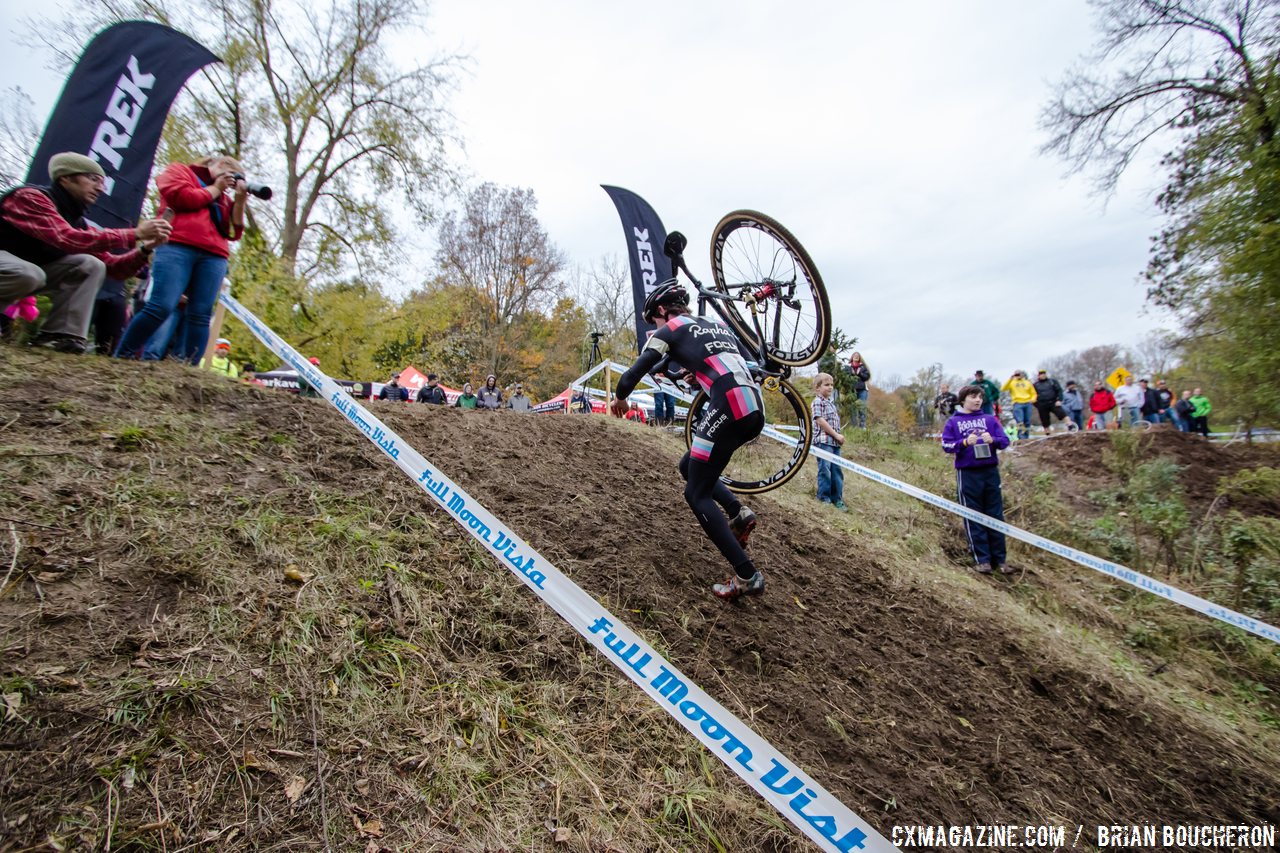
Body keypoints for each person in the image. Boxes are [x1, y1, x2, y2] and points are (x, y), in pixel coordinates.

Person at [611, 279, 765, 600]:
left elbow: (634, 372)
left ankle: (746, 575)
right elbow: (711, 361)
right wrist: (685, 373)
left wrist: (621, 397)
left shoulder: (671, 328)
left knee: (696, 494)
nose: (654, 326)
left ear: (663, 311)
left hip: (729, 403)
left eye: (654, 320)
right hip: (753, 405)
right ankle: (737, 512)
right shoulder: (714, 324)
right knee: (689, 465)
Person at [0, 152, 171, 353]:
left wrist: (145, 248)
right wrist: (135, 233)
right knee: (29, 273)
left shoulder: (77, 221)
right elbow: (65, 237)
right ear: (65, 178)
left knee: (90, 265)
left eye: (102, 182)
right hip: (15, 267)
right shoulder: (30, 197)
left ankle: (58, 337)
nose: (100, 188)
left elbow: (113, 268)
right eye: (93, 179)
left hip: (21, 273)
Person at [115, 155, 249, 364]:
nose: (229, 182)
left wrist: (239, 201)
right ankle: (123, 355)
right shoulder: (179, 172)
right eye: (231, 175)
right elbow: (182, 197)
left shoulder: (223, 197)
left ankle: (189, 367)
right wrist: (215, 188)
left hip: (214, 255)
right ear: (220, 164)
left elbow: (234, 231)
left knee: (201, 314)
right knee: (160, 306)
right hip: (177, 245)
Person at [941, 384, 1013, 575]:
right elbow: (946, 445)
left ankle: (1001, 560)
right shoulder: (953, 422)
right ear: (963, 399)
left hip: (990, 471)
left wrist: (994, 440)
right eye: (973, 396)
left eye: (980, 396)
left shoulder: (990, 419)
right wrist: (964, 442)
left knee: (995, 514)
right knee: (973, 515)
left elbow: (1005, 441)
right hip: (968, 473)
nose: (978, 400)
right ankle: (982, 560)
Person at [811, 372, 846, 510]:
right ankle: (824, 497)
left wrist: (838, 437)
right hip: (824, 442)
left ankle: (837, 498)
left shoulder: (831, 404)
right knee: (825, 469)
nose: (830, 387)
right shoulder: (817, 402)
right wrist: (836, 435)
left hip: (835, 444)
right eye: (826, 385)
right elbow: (820, 420)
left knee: (836, 470)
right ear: (817, 388)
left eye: (831, 385)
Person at [1001, 370, 1036, 440]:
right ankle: (1021, 437)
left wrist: (1032, 400)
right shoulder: (1012, 382)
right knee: (1020, 421)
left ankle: (1026, 437)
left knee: (1027, 421)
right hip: (1017, 403)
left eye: (1019, 374)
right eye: (1016, 374)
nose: (1017, 376)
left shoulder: (1027, 382)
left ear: (1022, 375)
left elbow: (1033, 393)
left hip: (1027, 403)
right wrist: (1010, 379)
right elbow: (1003, 388)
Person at [1032, 369, 1067, 434]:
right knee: (1044, 420)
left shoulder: (1052, 381)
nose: (1043, 375)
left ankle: (1070, 425)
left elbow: (1059, 390)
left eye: (1044, 374)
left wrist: (1059, 400)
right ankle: (1047, 433)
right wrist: (1036, 404)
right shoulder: (1035, 385)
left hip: (1053, 401)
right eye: (1041, 374)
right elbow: (1032, 395)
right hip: (1042, 404)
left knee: (1062, 413)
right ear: (1038, 376)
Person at [844, 351, 871, 428]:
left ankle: (862, 427)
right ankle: (854, 427)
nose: (856, 356)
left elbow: (867, 377)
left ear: (859, 358)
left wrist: (860, 374)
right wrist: (851, 373)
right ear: (852, 357)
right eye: (854, 355)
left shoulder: (863, 367)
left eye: (857, 355)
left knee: (862, 408)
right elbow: (845, 378)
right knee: (852, 409)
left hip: (862, 390)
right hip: (851, 391)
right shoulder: (847, 367)